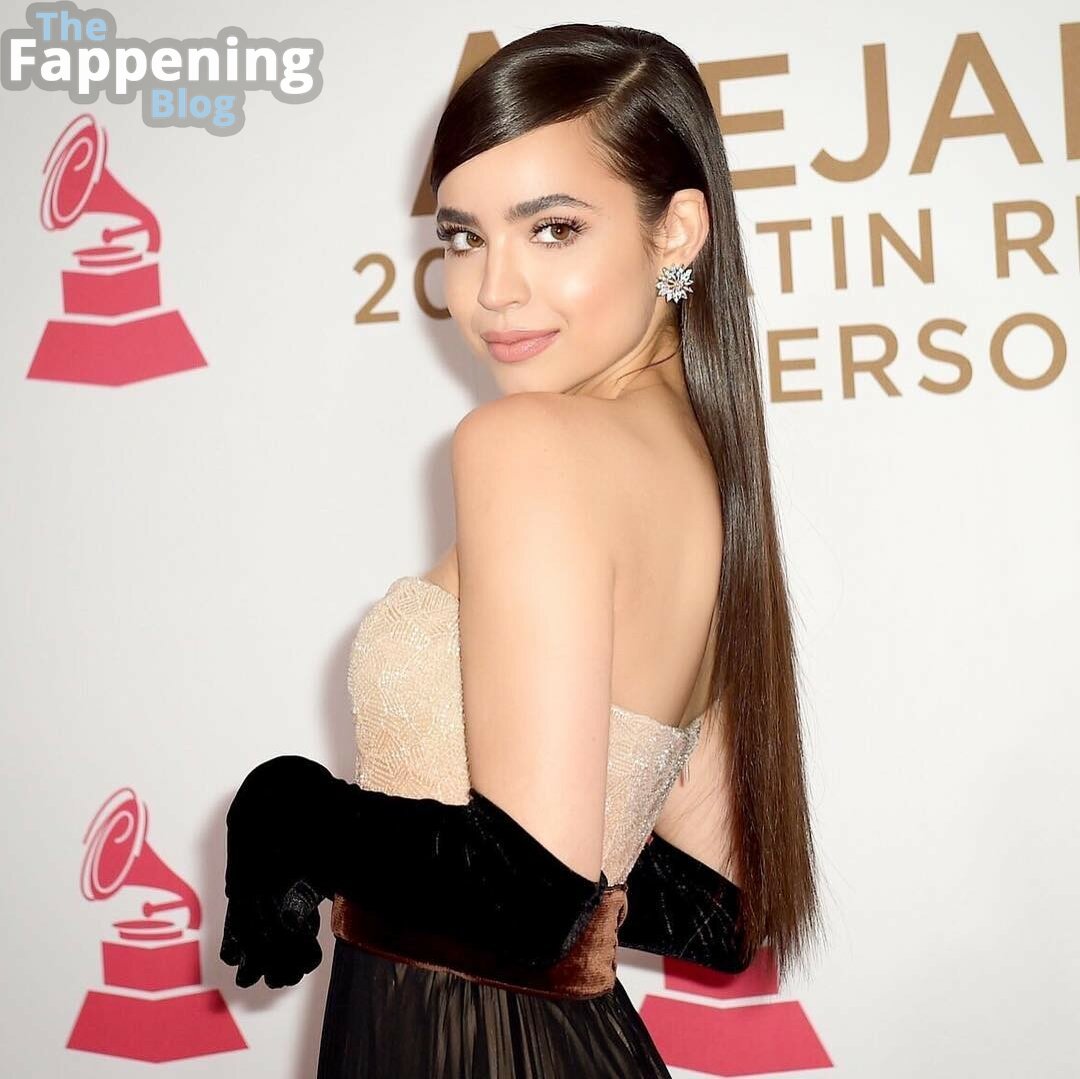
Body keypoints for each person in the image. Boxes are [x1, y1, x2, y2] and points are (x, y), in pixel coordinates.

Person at [219, 21, 825, 1077]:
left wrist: (292, 807)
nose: (492, 288)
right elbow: (716, 908)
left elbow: (531, 893)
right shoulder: (702, 473)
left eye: (552, 229)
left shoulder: (529, 441)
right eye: (463, 238)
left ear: (678, 231)